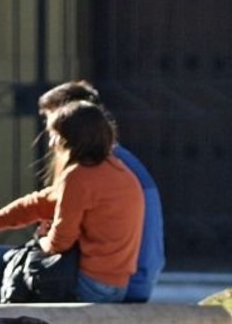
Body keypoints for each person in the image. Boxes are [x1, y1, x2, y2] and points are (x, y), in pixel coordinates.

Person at [0, 100, 146, 304]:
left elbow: (60, 242)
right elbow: (37, 203)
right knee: (10, 263)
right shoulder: (118, 170)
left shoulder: (79, 176)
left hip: (89, 286)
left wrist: (39, 240)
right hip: (116, 287)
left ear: (73, 139)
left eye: (56, 136)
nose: (51, 144)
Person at [36, 80, 165, 302]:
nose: (51, 137)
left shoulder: (93, 165)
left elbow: (62, 238)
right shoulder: (116, 162)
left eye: (53, 123)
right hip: (136, 279)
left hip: (122, 282)